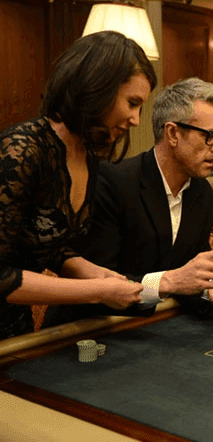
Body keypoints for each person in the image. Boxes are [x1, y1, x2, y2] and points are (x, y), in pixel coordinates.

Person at [43, 77, 213, 327]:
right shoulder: (111, 182)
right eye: (211, 136)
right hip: (85, 334)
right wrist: (170, 281)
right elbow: (95, 289)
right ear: (173, 133)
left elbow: (188, 278)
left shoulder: (202, 194)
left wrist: (211, 289)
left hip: (152, 330)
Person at [0, 31, 156, 340]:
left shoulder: (88, 155)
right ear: (98, 87)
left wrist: (89, 270)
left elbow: (49, 243)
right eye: (132, 103)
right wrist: (95, 290)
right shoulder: (20, 150)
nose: (136, 119)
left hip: (14, 329)